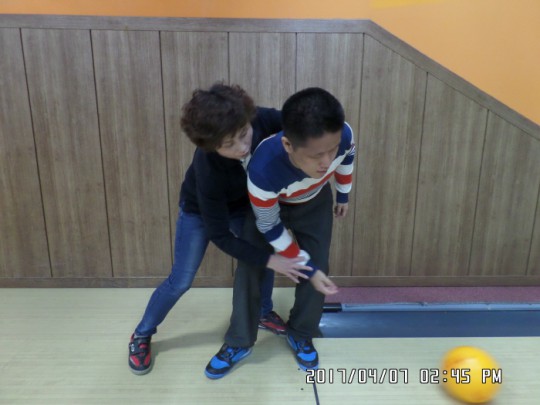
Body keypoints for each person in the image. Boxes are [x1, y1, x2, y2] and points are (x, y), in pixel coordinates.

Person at [128, 83, 311, 375]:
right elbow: (220, 236)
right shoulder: (208, 167)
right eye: (229, 144)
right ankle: (141, 333)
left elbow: (300, 122)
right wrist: (273, 260)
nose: (242, 147)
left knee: (260, 256)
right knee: (181, 280)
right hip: (200, 212)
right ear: (211, 145)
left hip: (243, 205)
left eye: (243, 133)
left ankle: (263, 312)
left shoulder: (261, 119)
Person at [205, 87, 356, 379]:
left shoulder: (344, 135)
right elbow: (269, 225)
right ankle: (239, 341)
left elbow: (348, 156)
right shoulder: (263, 169)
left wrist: (343, 194)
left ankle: (301, 332)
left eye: (332, 149)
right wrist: (301, 265)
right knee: (250, 268)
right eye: (316, 155)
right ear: (288, 144)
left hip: (314, 201)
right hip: (269, 210)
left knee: (319, 265)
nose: (327, 162)